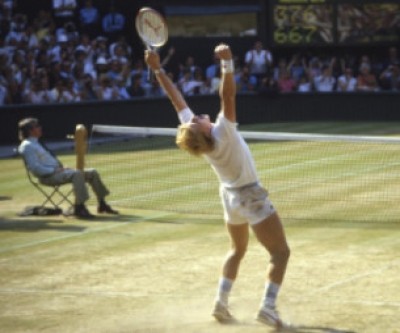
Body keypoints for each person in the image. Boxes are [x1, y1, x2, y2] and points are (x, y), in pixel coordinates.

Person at [145, 44, 290, 329]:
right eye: (197, 120)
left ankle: (220, 304)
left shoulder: (201, 137)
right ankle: (268, 307)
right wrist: (227, 63)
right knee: (280, 253)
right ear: (202, 130)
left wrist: (157, 69)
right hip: (251, 196)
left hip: (229, 197)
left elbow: (177, 101)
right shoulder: (224, 131)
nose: (196, 115)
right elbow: (227, 95)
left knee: (237, 250)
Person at [18, 117, 118, 219]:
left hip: (57, 172)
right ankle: (79, 207)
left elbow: (47, 162)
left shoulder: (36, 142)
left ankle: (102, 204)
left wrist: (62, 168)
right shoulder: (27, 146)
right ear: (30, 130)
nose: (40, 128)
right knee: (77, 174)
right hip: (47, 177)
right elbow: (35, 169)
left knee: (92, 172)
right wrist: (55, 170)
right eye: (37, 126)